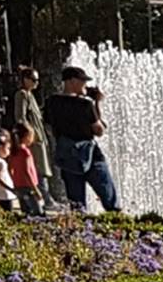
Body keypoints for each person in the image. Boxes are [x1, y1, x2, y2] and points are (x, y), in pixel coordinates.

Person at [44, 66, 119, 211]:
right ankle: (118, 228)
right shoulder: (85, 104)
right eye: (82, 81)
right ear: (71, 81)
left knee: (77, 205)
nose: (85, 84)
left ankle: (82, 231)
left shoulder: (52, 102)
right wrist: (97, 103)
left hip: (68, 156)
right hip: (91, 155)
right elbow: (99, 131)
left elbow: (48, 125)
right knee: (109, 198)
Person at [11, 67, 61, 206]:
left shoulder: (30, 95)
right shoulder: (21, 95)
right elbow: (20, 118)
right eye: (33, 80)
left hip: (38, 137)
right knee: (39, 169)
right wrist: (29, 135)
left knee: (42, 168)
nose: (36, 83)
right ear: (25, 80)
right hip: (32, 139)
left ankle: (46, 198)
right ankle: (46, 199)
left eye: (38, 80)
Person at [8, 122, 43, 215]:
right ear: (26, 136)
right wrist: (35, 189)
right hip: (28, 186)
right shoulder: (25, 152)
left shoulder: (13, 151)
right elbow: (27, 171)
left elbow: (10, 169)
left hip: (18, 185)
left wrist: (14, 181)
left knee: (26, 211)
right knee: (38, 212)